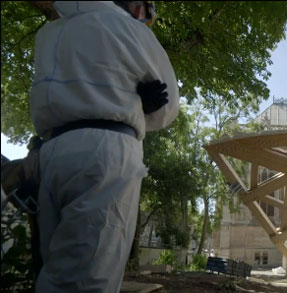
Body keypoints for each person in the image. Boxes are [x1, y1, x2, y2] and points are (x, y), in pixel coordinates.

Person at [29, 1, 179, 291]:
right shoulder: (133, 30)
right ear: (140, 8)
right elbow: (167, 108)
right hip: (106, 154)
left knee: (52, 268)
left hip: (52, 152)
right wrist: (141, 107)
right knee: (90, 277)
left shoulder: (49, 34)